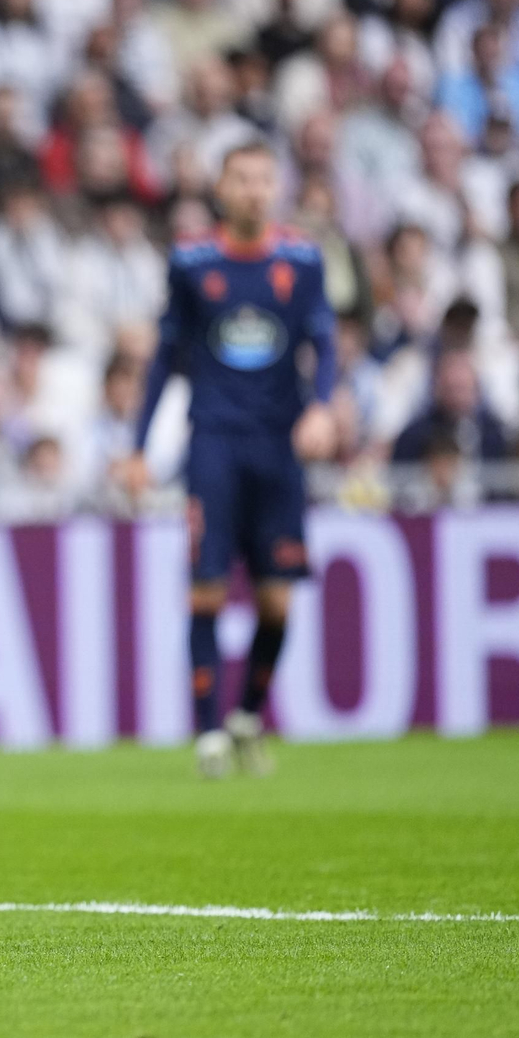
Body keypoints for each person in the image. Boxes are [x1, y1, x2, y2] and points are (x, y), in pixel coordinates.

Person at [121, 141, 337, 779]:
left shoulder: (302, 260)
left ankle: (247, 714)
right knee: (207, 588)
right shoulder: (191, 261)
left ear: (276, 189)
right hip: (213, 441)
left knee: (277, 605)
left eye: (262, 180)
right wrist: (137, 447)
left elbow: (323, 342)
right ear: (221, 188)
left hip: (278, 445)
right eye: (240, 179)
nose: (252, 190)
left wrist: (322, 407)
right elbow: (165, 356)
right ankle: (210, 732)